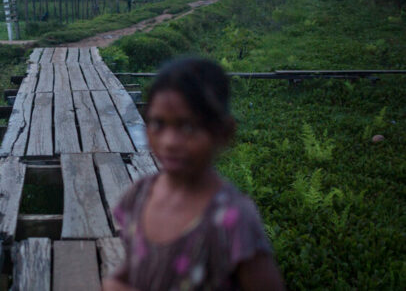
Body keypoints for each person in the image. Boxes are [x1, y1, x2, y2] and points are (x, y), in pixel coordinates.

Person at [103, 58, 284, 291]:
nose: (169, 142)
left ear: (224, 132)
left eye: (188, 127)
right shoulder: (139, 197)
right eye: (158, 123)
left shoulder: (232, 220)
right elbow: (122, 276)